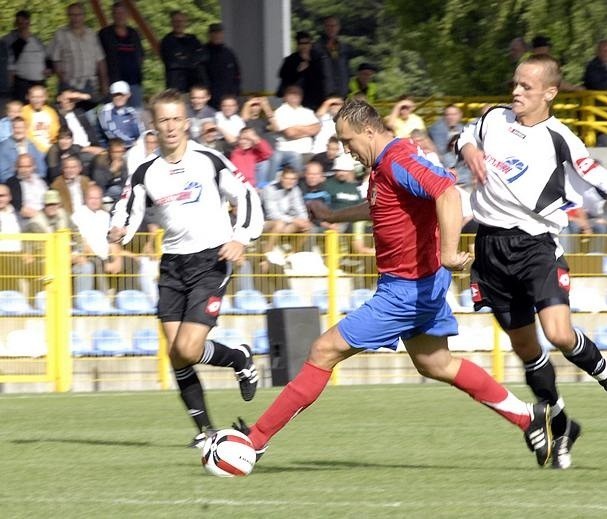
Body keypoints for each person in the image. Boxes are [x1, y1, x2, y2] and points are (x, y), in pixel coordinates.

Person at [232, 98, 553, 468]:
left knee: (322, 351)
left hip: (406, 290)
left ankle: (254, 440)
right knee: (436, 363)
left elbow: (446, 192)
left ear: (369, 130)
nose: (347, 151)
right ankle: (529, 417)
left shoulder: (399, 158)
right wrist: (335, 216)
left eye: (349, 141)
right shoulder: (385, 164)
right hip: (421, 285)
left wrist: (449, 251)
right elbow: (381, 205)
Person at [457, 54, 607, 470]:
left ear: (550, 92)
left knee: (558, 334)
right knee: (526, 350)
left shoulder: (560, 136)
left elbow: (593, 171)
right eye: (515, 84)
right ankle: (562, 425)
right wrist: (470, 149)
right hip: (490, 247)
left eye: (526, 87)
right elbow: (464, 135)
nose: (516, 92)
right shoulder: (494, 118)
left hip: (536, 247)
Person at [108, 88, 264, 447]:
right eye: (164, 119)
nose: (171, 126)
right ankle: (206, 432)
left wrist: (241, 237)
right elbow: (127, 208)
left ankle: (239, 357)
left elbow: (247, 196)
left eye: (177, 118)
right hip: (173, 264)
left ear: (187, 122)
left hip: (212, 259)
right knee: (176, 352)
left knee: (190, 348)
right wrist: (121, 231)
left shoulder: (209, 159)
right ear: (153, 124)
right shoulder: (146, 171)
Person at [49, 2, 108, 96]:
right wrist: (64, 82)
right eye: (72, 15)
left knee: (91, 111)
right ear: (68, 16)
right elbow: (55, 61)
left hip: (90, 85)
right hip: (69, 85)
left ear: (84, 16)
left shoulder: (92, 35)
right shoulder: (60, 34)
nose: (75, 18)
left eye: (78, 14)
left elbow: (100, 60)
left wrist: (104, 84)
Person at [98, 1, 145, 108]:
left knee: (136, 115)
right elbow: (100, 60)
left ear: (127, 15)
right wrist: (103, 82)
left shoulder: (134, 33)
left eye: (122, 13)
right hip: (113, 83)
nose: (120, 16)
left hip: (134, 83)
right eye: (116, 13)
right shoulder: (105, 34)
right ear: (112, 15)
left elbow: (141, 55)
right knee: (113, 115)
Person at [3, 10, 49, 103]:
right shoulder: (8, 39)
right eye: (20, 23)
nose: (23, 26)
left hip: (39, 82)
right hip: (21, 84)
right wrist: (23, 39)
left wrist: (48, 67)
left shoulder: (36, 39)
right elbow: (10, 57)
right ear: (15, 23)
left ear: (29, 23)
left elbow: (46, 55)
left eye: (26, 23)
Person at [160, 10, 206, 93]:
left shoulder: (193, 39)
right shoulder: (167, 41)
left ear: (186, 23)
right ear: (172, 23)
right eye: (176, 21)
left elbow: (204, 56)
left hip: (194, 85)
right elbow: (172, 62)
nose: (179, 24)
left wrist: (184, 57)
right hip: (176, 87)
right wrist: (192, 59)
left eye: (181, 21)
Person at [203, 24, 240, 110]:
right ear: (209, 35)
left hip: (228, 101)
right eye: (214, 33)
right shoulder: (203, 52)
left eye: (219, 33)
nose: (217, 35)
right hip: (210, 101)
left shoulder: (229, 53)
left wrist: (235, 93)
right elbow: (200, 77)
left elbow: (237, 75)